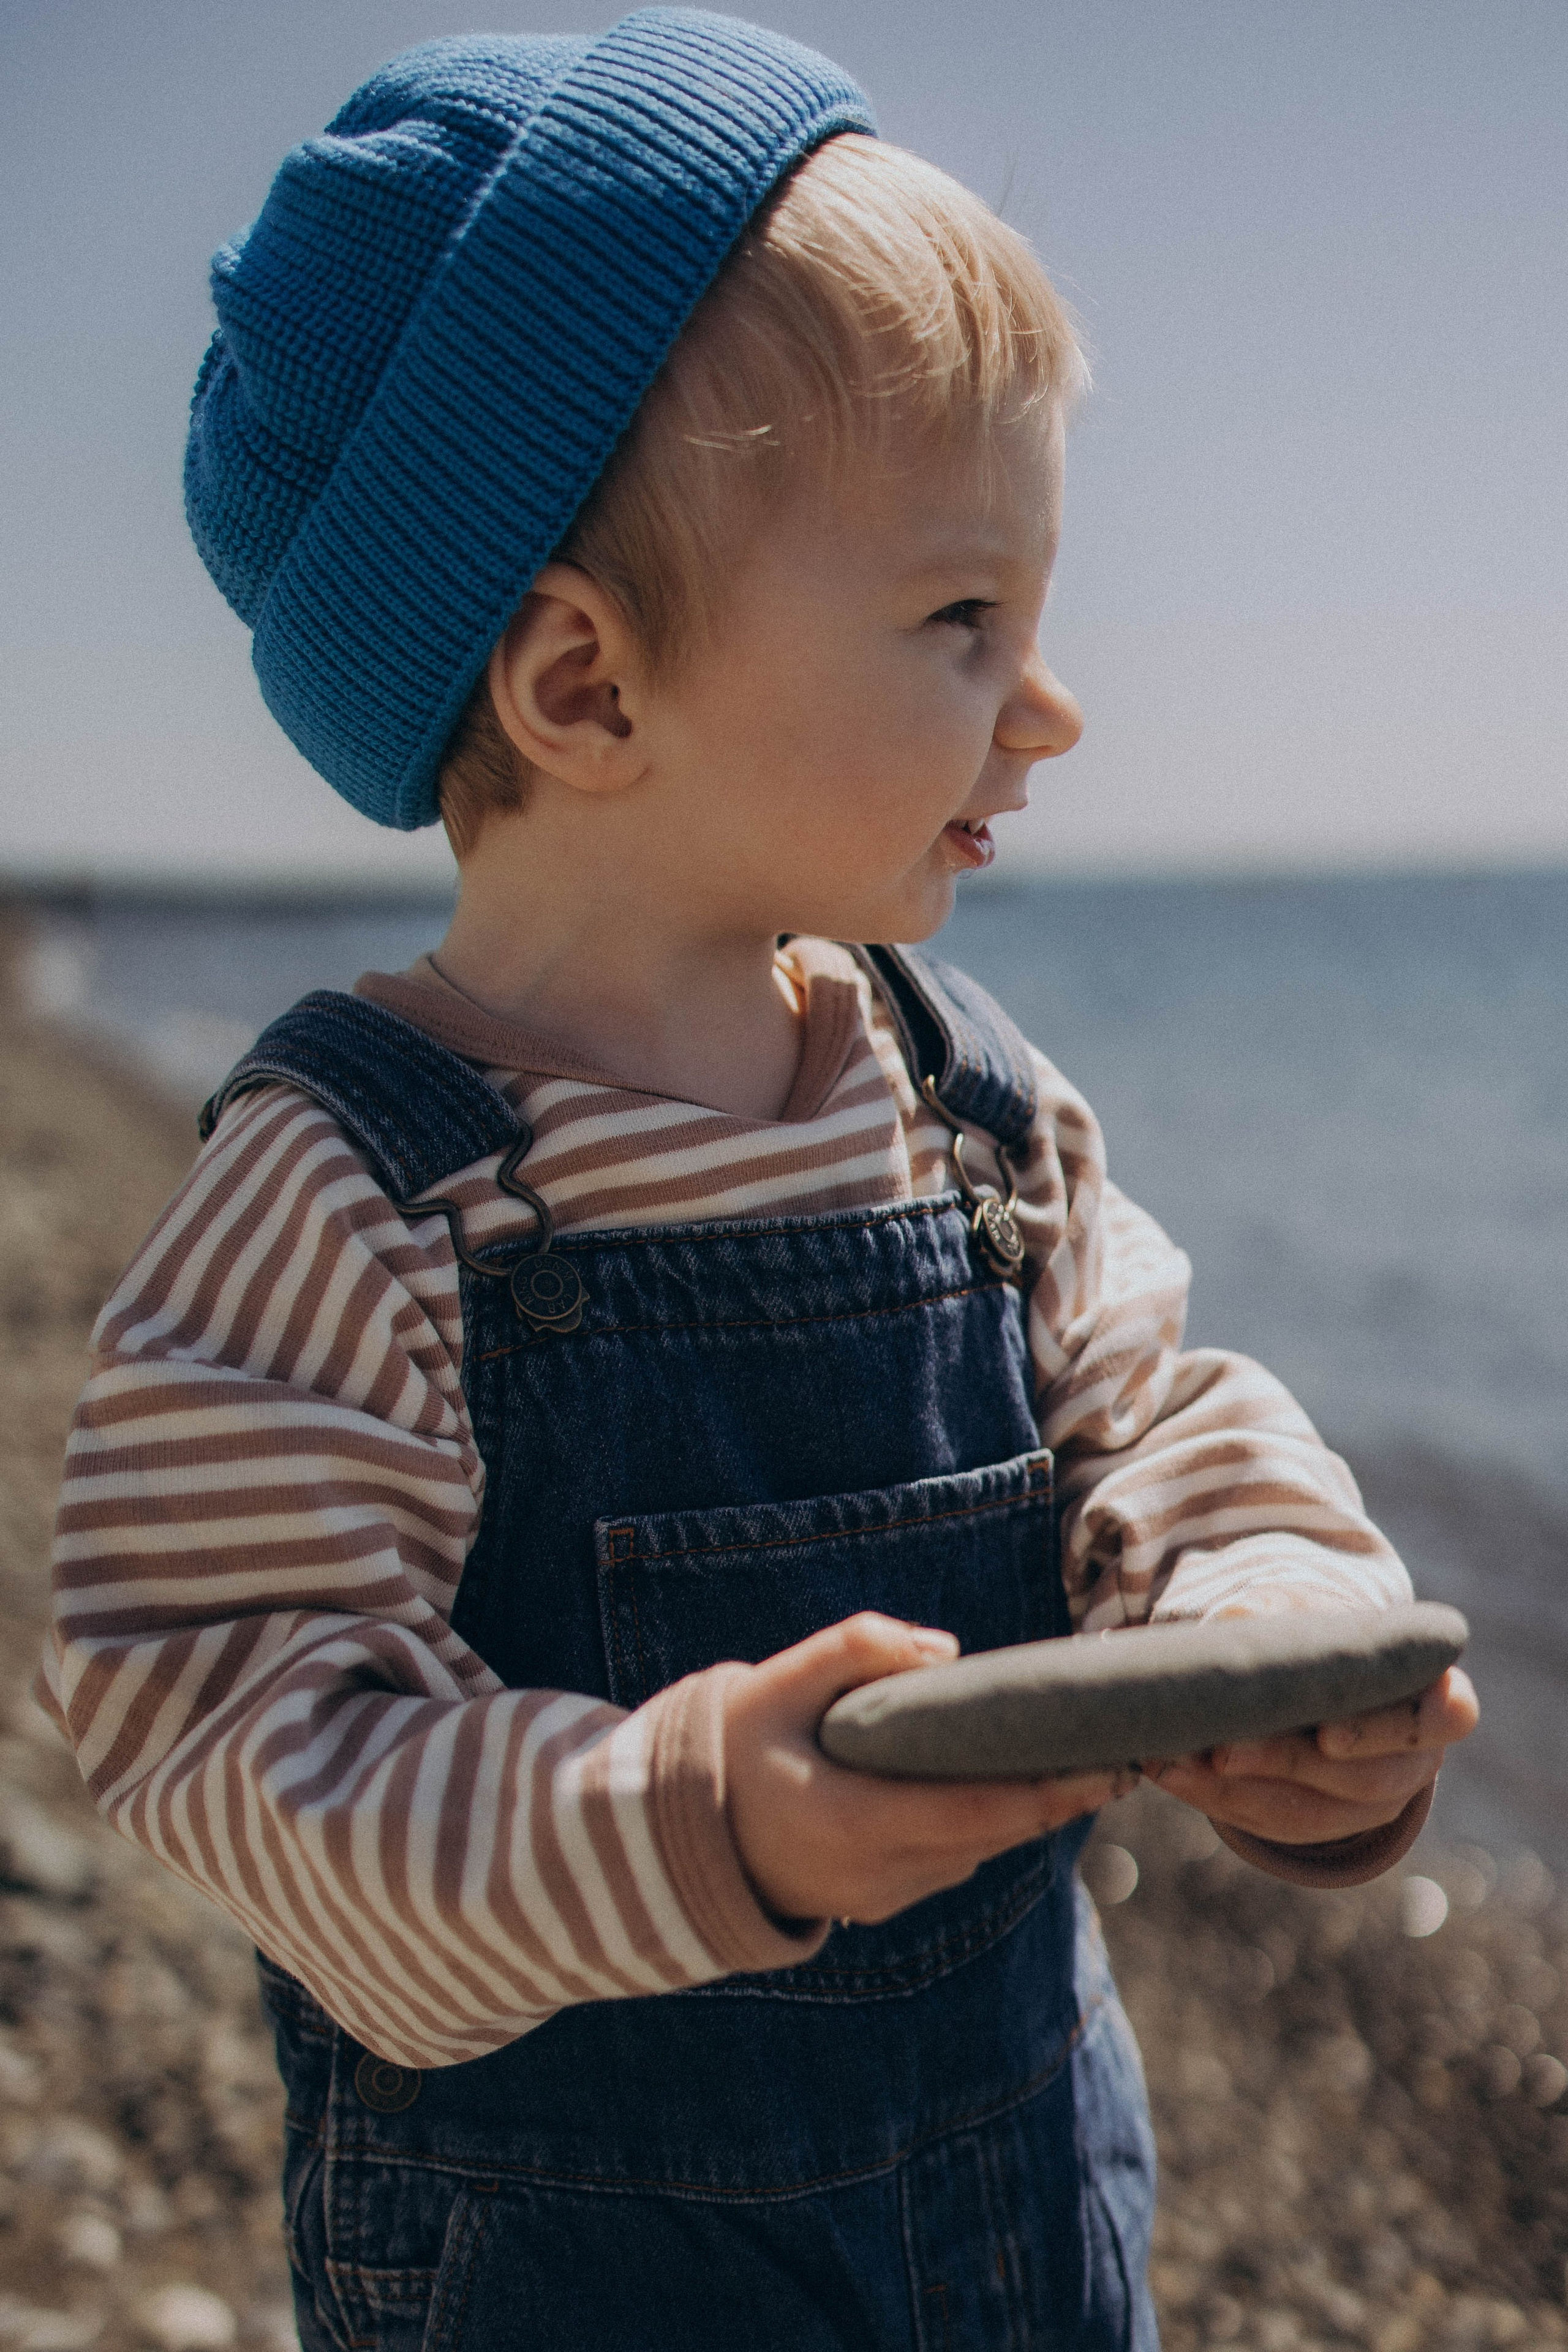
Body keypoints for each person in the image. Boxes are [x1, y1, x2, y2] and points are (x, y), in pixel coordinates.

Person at [43, 13, 1477, 2347]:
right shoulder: (361, 1193)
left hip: (1020, 2193)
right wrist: (693, 1812)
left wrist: (1264, 1623)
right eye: (958, 621)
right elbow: (222, 1727)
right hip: (579, 2270)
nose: (1054, 706)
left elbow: (1155, 1418)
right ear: (586, 691)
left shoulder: (972, 1109)